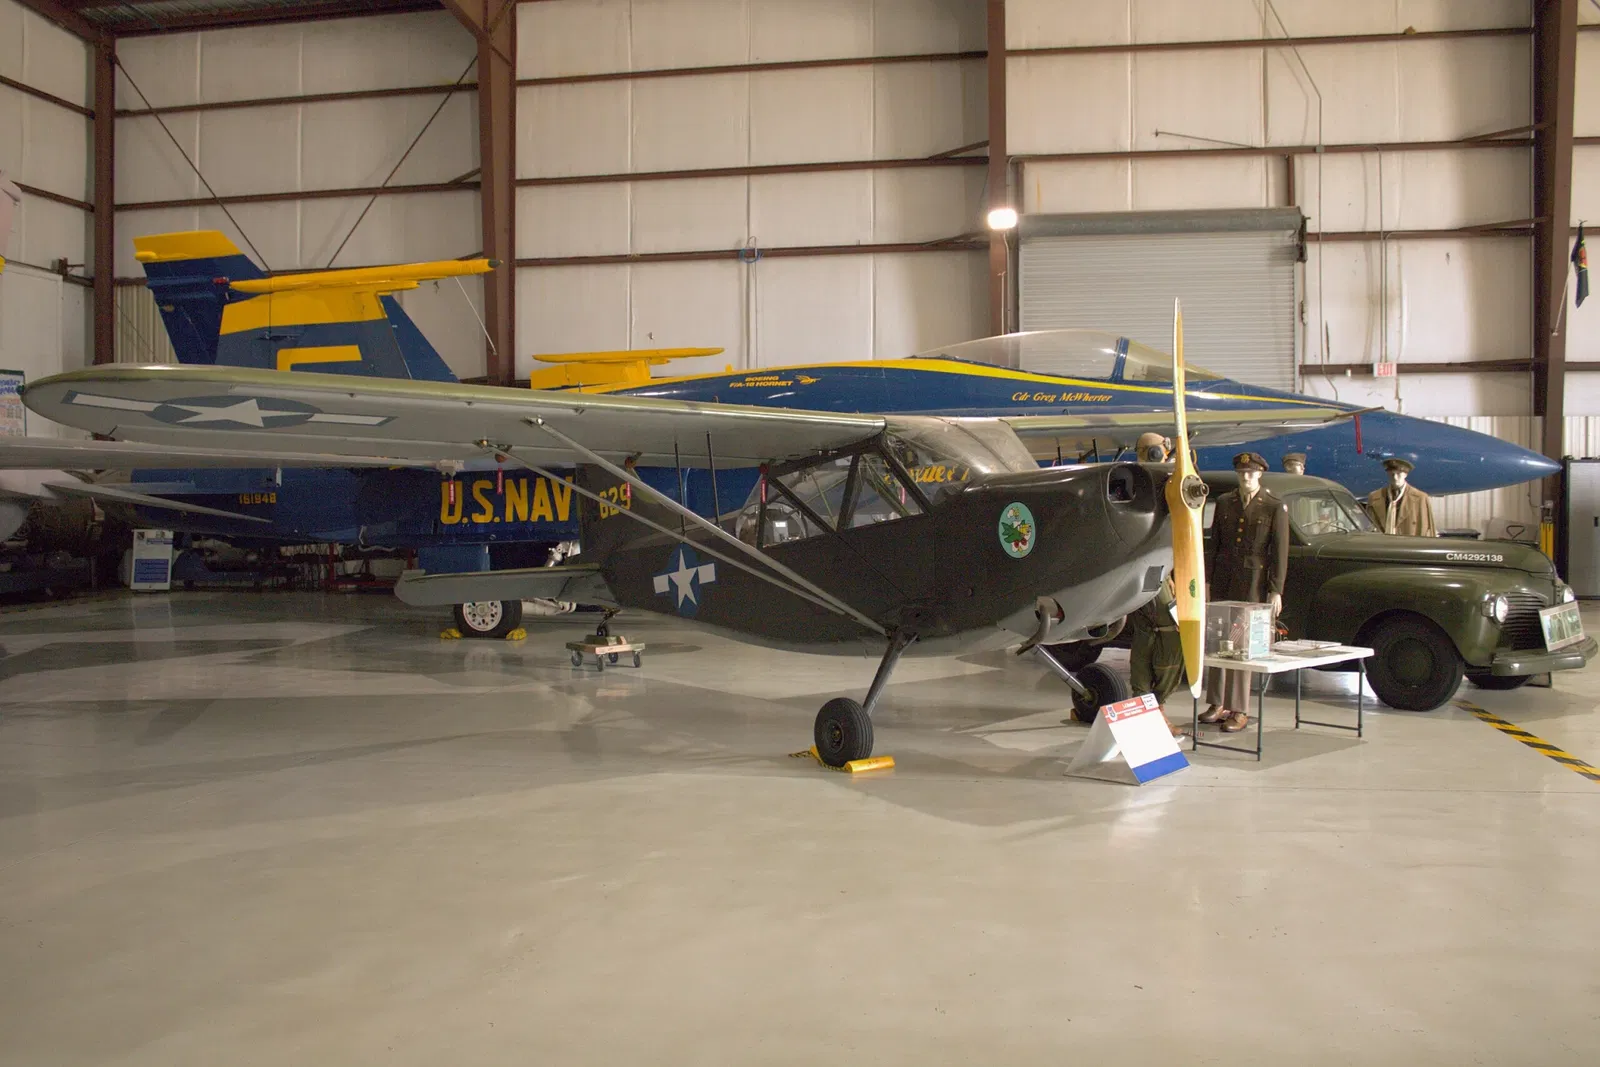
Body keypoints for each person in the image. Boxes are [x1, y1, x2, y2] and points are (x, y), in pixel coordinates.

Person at [1200, 452, 1289, 733]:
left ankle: (1239, 708)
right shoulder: (1226, 502)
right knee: (1218, 643)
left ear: (1260, 474)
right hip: (1224, 581)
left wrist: (1276, 590)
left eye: (1250, 473)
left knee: (1242, 647)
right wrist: (1207, 581)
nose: (1246, 477)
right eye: (1241, 473)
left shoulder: (1273, 506)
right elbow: (1214, 545)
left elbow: (1279, 553)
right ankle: (1217, 703)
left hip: (1253, 585)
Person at [1127, 571, 1189, 739]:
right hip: (1139, 570)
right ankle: (1148, 708)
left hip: (1156, 569)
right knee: (1162, 630)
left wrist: (1169, 575)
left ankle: (1153, 708)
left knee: (1157, 630)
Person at [1365, 457, 1436, 537]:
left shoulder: (1420, 498)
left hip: (1408, 547)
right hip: (1382, 547)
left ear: (1405, 474)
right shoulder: (1374, 497)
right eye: (1392, 474)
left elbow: (1427, 529)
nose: (1395, 478)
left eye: (1398, 474)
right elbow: (1367, 529)